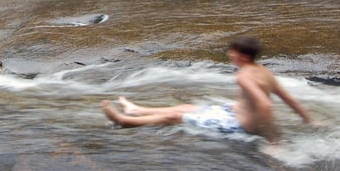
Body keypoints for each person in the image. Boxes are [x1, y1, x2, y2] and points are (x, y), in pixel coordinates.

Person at [100, 37, 313, 142]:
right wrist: (310, 120)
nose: (230, 55)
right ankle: (137, 110)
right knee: (186, 107)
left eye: (233, 52)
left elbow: (264, 104)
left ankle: (125, 121)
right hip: (232, 112)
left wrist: (272, 138)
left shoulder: (243, 75)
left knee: (175, 116)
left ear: (244, 57)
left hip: (238, 126)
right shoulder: (264, 71)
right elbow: (290, 100)